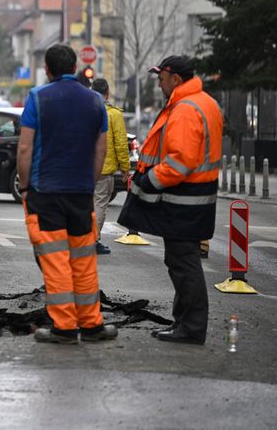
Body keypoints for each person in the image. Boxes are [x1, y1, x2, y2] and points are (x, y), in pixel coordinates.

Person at [117, 55, 223, 345]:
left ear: (175, 78)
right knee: (181, 260)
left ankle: (190, 327)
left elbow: (180, 162)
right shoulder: (203, 102)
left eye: (161, 77)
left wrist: (148, 180)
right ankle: (184, 323)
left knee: (183, 262)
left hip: (184, 199)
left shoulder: (186, 108)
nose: (159, 82)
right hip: (195, 197)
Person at [17, 43, 115, 344]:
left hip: (46, 193)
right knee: (83, 259)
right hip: (81, 193)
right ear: (75, 67)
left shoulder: (38, 98)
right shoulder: (96, 102)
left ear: (47, 69)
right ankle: (92, 325)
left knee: (56, 260)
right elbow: (101, 150)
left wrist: (24, 185)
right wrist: (89, 182)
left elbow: (25, 147)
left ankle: (64, 328)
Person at [90, 78, 130, 255]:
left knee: (86, 205)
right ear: (107, 93)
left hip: (83, 167)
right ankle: (93, 240)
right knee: (99, 205)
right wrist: (125, 169)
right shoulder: (113, 114)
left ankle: (82, 238)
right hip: (104, 169)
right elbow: (121, 143)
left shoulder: (85, 110)